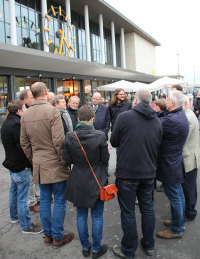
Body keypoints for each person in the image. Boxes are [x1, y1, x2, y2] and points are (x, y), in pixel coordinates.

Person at [20, 82, 74, 248]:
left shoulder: (26, 115)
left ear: (33, 94)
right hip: (55, 163)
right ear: (44, 92)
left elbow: (24, 142)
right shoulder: (52, 111)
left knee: (44, 200)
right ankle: (57, 237)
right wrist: (64, 161)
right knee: (58, 200)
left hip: (40, 164)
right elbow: (59, 141)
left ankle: (48, 235)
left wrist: (33, 158)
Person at [110, 90, 163, 258]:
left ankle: (129, 250)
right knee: (147, 208)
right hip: (148, 173)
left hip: (128, 173)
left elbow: (113, 141)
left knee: (128, 212)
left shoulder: (124, 117)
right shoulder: (157, 120)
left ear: (135, 100)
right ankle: (149, 245)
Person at [64, 105, 109, 259]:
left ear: (78, 119)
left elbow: (68, 160)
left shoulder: (70, 136)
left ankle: (85, 247)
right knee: (97, 216)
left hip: (78, 178)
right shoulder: (100, 135)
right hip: (96, 178)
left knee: (81, 215)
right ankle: (96, 249)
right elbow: (105, 159)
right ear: (92, 119)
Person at [1, 100, 42, 234]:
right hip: (20, 166)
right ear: (19, 111)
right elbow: (22, 147)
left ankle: (14, 217)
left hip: (12, 164)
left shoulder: (7, 122)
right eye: (24, 108)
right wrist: (27, 164)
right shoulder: (17, 124)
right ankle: (26, 225)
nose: (25, 110)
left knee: (14, 191)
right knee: (22, 198)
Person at [156, 90, 189, 239]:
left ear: (172, 103)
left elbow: (155, 125)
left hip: (169, 164)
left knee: (175, 196)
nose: (165, 100)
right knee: (179, 194)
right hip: (174, 161)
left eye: (167, 99)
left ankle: (176, 229)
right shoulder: (180, 115)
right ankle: (179, 223)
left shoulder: (171, 120)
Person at [20, 89, 40, 213]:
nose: (33, 99)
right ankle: (32, 202)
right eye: (31, 97)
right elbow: (24, 141)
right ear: (24, 100)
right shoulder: (26, 114)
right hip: (31, 156)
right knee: (32, 181)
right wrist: (30, 156)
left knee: (35, 179)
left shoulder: (30, 112)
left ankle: (36, 198)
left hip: (34, 154)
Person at [182, 96, 200, 220]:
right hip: (191, 156)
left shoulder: (187, 117)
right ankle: (189, 211)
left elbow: (181, 140)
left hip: (189, 158)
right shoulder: (188, 114)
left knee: (189, 187)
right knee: (189, 187)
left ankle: (189, 212)